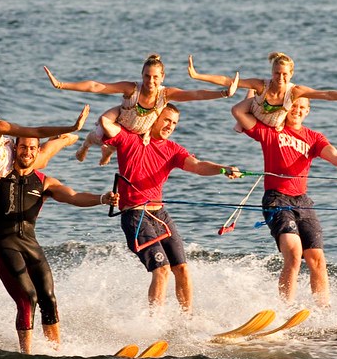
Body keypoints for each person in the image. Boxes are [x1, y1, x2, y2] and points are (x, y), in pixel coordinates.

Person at [0, 135, 119, 354]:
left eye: (32, 148)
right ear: (15, 148)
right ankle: (27, 355)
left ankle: (55, 352)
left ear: (37, 150)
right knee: (27, 297)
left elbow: (73, 196)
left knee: (48, 298)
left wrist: (102, 198)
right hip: (2, 244)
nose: (28, 152)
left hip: (30, 245)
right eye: (23, 147)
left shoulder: (44, 181)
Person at [231, 93, 337, 308]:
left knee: (317, 259)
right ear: (285, 108)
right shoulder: (270, 132)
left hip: (303, 202)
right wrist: (266, 92)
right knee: (294, 254)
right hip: (276, 199)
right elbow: (238, 111)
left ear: (308, 111)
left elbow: (335, 156)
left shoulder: (314, 137)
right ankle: (285, 310)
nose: (297, 110)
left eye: (302, 107)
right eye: (293, 105)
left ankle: (323, 311)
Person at [97, 104, 240, 313]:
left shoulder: (172, 149)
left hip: (160, 215)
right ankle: (155, 323)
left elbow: (197, 165)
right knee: (162, 269)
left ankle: (188, 320)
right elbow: (105, 122)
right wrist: (134, 103)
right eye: (166, 120)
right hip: (135, 216)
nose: (170, 126)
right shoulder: (129, 139)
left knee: (181, 268)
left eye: (174, 123)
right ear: (154, 118)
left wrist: (222, 168)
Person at [42, 54, 239, 165]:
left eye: (155, 77)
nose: (150, 81)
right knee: (98, 135)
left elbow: (195, 94)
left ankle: (107, 153)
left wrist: (223, 93)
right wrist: (61, 84)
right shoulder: (132, 89)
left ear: (162, 77)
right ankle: (84, 147)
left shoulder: (166, 94)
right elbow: (96, 86)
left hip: (139, 133)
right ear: (141, 75)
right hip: (121, 125)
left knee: (115, 148)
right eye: (146, 76)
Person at [187, 52, 337, 132]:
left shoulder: (295, 91)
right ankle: (250, 95)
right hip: (254, 113)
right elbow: (228, 80)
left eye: (284, 74)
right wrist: (197, 75)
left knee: (278, 123)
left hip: (273, 122)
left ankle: (251, 97)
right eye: (276, 73)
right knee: (240, 105)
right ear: (271, 72)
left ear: (291, 74)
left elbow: (326, 94)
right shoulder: (263, 85)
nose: (280, 77)